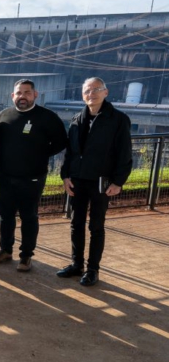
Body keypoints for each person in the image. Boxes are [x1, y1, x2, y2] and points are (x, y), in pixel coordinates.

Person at [58, 77, 132, 286]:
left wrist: (118, 182)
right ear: (83, 95)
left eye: (96, 90)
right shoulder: (77, 119)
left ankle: (93, 269)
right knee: (76, 224)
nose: (91, 94)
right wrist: (65, 176)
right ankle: (76, 264)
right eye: (87, 91)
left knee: (96, 226)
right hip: (77, 180)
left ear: (105, 92)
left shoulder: (117, 119)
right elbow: (70, 152)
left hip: (102, 182)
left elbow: (124, 154)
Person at [0, 78, 67, 272]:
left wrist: (40, 154)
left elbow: (61, 142)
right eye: (18, 93)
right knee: (5, 216)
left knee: (29, 217)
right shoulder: (3, 115)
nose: (22, 96)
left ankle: (26, 256)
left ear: (35, 95)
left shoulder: (47, 117)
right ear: (12, 96)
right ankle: (5, 249)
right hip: (5, 176)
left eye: (26, 93)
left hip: (32, 178)